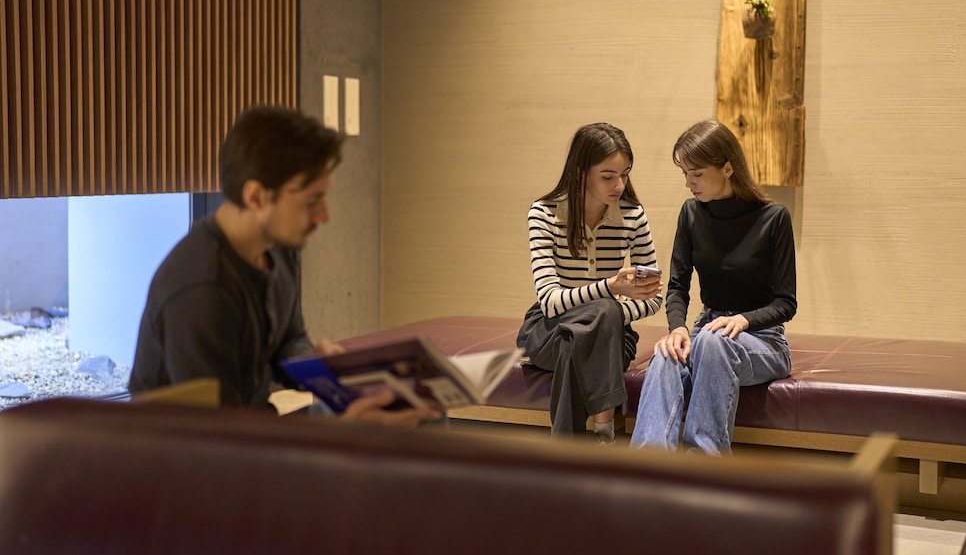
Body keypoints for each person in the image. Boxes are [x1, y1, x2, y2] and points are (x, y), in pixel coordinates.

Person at [129, 105, 440, 427]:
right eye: (311, 201)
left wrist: (314, 364)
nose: (324, 216)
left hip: (252, 431)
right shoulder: (202, 290)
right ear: (256, 197)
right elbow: (221, 441)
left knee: (420, 412)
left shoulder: (275, 249)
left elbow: (289, 339)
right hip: (191, 449)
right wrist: (347, 435)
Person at [630, 120, 796, 455]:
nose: (688, 183)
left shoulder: (774, 218)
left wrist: (743, 320)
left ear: (728, 168)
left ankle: (703, 467)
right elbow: (677, 286)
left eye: (697, 173)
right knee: (666, 355)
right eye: (684, 173)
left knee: (712, 341)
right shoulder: (691, 213)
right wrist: (677, 329)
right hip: (707, 330)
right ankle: (646, 468)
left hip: (763, 339)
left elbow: (786, 303)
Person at [517, 122, 663, 442]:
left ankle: (566, 453)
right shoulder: (544, 213)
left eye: (625, 174)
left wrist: (609, 314)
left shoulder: (633, 216)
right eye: (608, 176)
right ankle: (603, 431)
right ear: (580, 172)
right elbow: (550, 302)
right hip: (547, 329)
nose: (619, 185)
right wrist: (610, 289)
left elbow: (654, 297)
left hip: (611, 335)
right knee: (600, 311)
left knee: (586, 330)